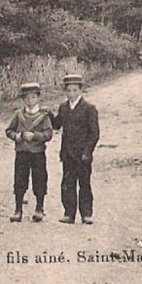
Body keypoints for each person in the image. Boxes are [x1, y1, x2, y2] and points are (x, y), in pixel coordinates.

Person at [51, 73, 99, 224]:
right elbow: (57, 125)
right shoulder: (63, 107)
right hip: (68, 153)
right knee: (68, 183)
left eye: (74, 90)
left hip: (83, 154)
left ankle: (86, 214)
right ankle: (69, 213)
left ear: (80, 90)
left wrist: (87, 152)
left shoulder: (89, 108)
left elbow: (94, 133)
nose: (71, 94)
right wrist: (48, 115)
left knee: (84, 184)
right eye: (68, 90)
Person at [4, 82, 54, 223]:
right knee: (20, 180)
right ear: (23, 99)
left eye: (33, 97)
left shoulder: (43, 115)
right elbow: (9, 130)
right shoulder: (18, 114)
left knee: (39, 179)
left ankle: (39, 208)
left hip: (38, 153)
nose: (30, 101)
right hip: (22, 152)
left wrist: (35, 136)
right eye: (27, 98)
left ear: (38, 98)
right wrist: (17, 136)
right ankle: (18, 209)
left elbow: (49, 134)